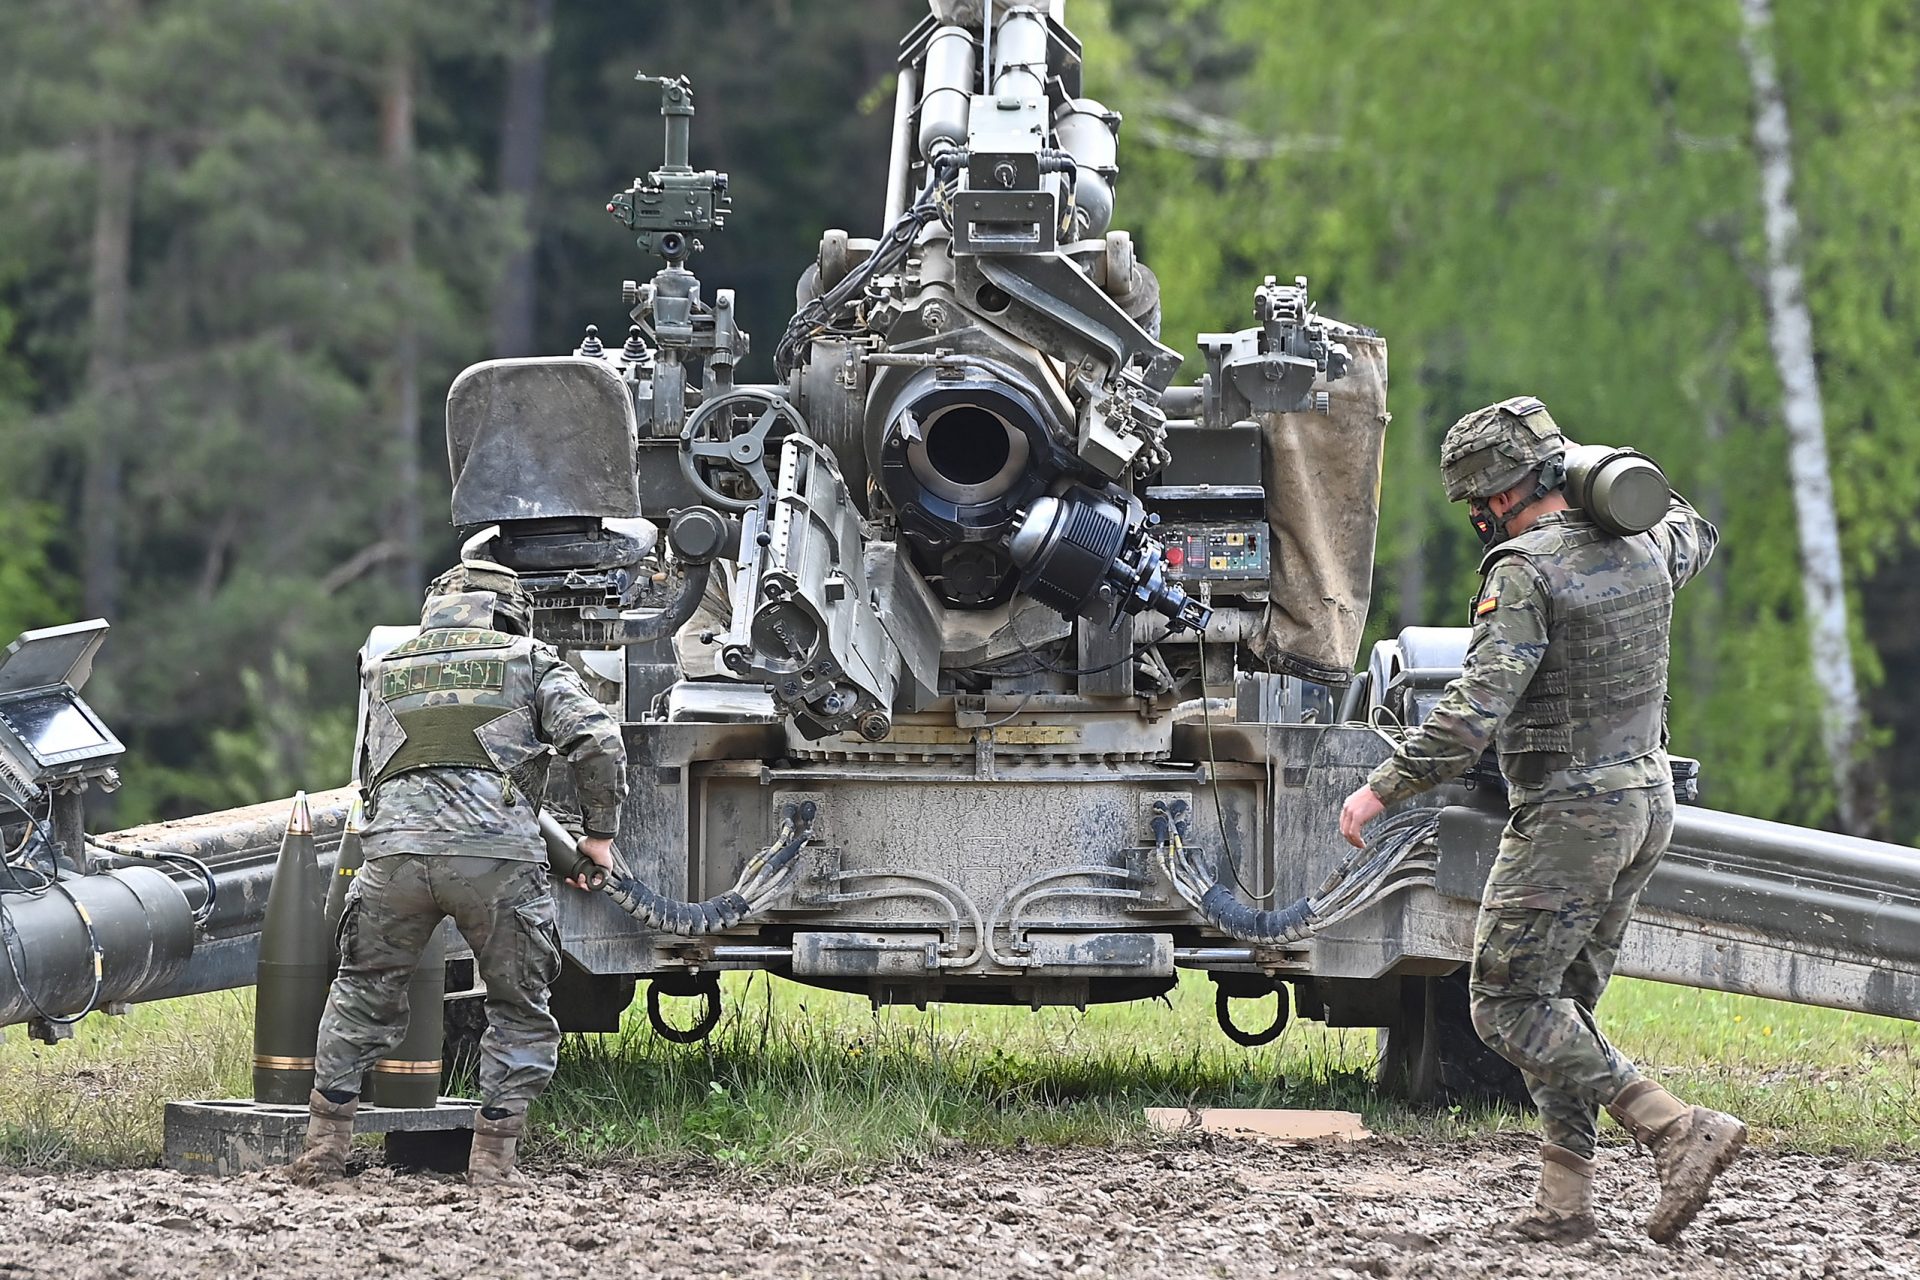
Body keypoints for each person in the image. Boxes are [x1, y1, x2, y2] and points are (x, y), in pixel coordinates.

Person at [1338, 396, 1740, 1245]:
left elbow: (1472, 713)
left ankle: (1674, 1128)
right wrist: (1604, 474)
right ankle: (1566, 1203)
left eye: (1475, 503)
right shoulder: (1643, 543)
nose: (1477, 520)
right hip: (1644, 801)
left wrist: (1381, 787)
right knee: (1564, 1005)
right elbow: (1694, 525)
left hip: (1568, 814)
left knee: (1507, 1007)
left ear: (1495, 494)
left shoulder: (1524, 570)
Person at [290, 560, 627, 1187]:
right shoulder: (529, 659)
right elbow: (597, 740)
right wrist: (597, 835)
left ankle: (322, 1152)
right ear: (508, 609)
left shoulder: (385, 666)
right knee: (518, 1007)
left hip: (391, 854)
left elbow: (374, 769)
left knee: (361, 990)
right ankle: (493, 1165)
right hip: (494, 862)